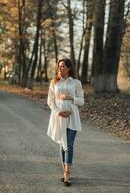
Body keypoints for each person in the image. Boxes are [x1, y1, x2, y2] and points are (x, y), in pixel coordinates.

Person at [47, 58, 84, 186]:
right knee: (62, 146)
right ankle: (65, 171)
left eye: (62, 66)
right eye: (59, 66)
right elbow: (50, 101)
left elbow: (81, 101)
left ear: (69, 68)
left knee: (68, 145)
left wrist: (70, 97)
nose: (60, 68)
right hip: (59, 118)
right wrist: (59, 112)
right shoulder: (54, 83)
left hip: (72, 118)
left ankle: (66, 176)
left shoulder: (76, 83)